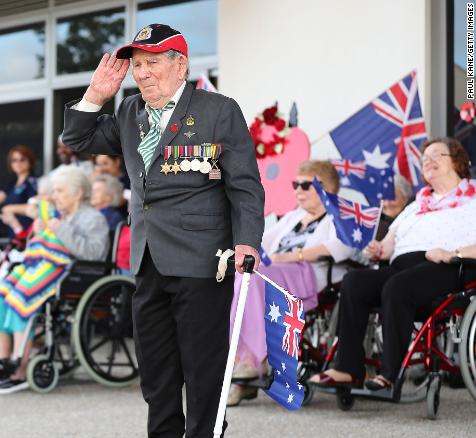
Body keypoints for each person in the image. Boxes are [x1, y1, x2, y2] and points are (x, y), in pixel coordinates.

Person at [62, 24, 264, 437]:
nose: (143, 73)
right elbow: (77, 137)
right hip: (148, 258)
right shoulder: (129, 111)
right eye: (137, 65)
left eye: (153, 62)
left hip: (203, 258)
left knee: (202, 366)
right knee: (156, 370)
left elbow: (244, 185)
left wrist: (247, 240)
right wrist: (97, 94)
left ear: (180, 65)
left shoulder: (217, 110)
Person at [310, 137, 476, 391]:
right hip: (403, 266)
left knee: (397, 286)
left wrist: (454, 252)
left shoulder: (472, 196)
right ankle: (348, 368)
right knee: (354, 281)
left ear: (457, 161)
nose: (428, 161)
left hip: (452, 265)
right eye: (424, 159)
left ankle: (389, 373)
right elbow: (388, 244)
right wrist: (378, 248)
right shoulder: (417, 204)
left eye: (436, 155)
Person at [227, 161, 355, 405]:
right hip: (276, 271)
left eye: (306, 185)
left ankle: (254, 359)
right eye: (296, 184)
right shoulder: (294, 217)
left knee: (253, 278)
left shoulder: (340, 214)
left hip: (308, 273)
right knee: (238, 275)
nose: (298, 190)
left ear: (326, 188)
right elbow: (262, 241)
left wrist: (293, 256)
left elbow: (342, 247)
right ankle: (243, 361)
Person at [0, 166, 109, 394]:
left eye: (59, 191)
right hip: (43, 267)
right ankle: (2, 362)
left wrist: (59, 228)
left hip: (73, 274)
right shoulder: (56, 216)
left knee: (21, 297)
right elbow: (43, 247)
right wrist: (39, 232)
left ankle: (19, 369)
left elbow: (93, 254)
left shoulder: (93, 218)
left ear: (77, 193)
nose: (54, 196)